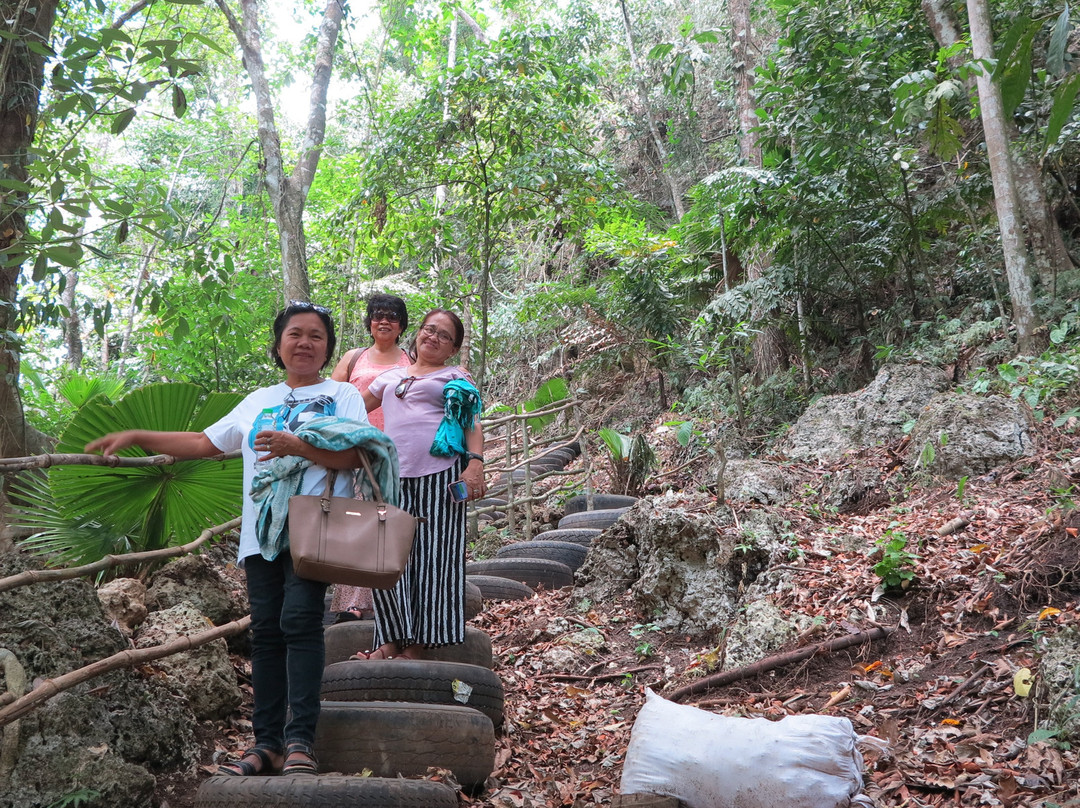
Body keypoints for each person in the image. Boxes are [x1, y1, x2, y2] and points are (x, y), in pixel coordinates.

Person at [86, 301, 374, 778]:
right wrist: (138, 434)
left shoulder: (342, 395)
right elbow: (203, 442)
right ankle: (266, 744)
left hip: (317, 527)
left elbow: (360, 456)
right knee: (265, 634)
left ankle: (300, 739)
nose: (304, 343)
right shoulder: (257, 399)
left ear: (328, 347)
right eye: (295, 334)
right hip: (261, 533)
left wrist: (300, 446)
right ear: (278, 344)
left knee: (300, 622)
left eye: (316, 336)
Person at [354, 308, 486, 660]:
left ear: (453, 347)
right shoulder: (391, 377)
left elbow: (471, 424)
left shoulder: (456, 378)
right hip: (391, 479)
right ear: (418, 332)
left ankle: (417, 645)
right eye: (430, 329)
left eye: (444, 335)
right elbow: (353, 410)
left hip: (439, 477)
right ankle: (388, 639)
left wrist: (475, 463)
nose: (433, 337)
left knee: (432, 559)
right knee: (384, 559)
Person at [328, 293, 412, 621]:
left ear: (402, 325)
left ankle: (393, 600)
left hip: (401, 454)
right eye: (378, 315)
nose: (384, 321)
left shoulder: (412, 359)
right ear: (369, 322)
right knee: (358, 523)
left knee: (394, 523)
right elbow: (329, 398)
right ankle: (353, 603)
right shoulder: (354, 358)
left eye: (392, 316)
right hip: (357, 453)